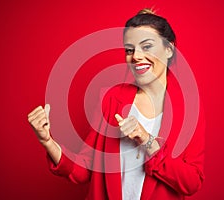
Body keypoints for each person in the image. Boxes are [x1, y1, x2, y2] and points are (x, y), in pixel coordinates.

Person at [28, 8, 205, 200]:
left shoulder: (188, 109)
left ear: (169, 49)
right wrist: (47, 141)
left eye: (146, 47)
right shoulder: (111, 99)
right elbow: (84, 169)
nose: (136, 56)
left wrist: (148, 141)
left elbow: (192, 182)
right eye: (130, 49)